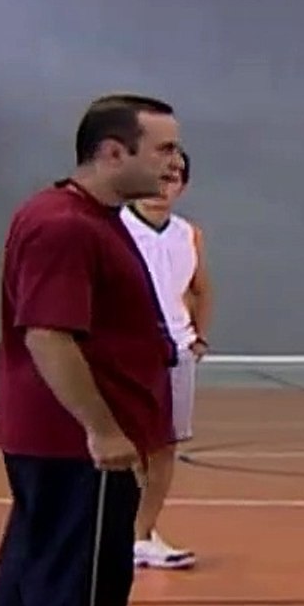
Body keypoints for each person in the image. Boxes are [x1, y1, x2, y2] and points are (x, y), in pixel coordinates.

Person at [0, 93, 181, 606]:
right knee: (84, 571)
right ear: (113, 152)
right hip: (74, 441)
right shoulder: (66, 225)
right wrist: (102, 429)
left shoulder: (87, 217)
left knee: (36, 556)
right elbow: (49, 334)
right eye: (163, 149)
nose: (173, 164)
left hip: (54, 436)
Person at [120, 148, 212, 571]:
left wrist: (198, 338)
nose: (162, 187)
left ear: (183, 186)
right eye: (157, 176)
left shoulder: (188, 234)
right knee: (126, 447)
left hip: (175, 350)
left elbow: (200, 288)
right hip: (126, 353)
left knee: (164, 447)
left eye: (173, 178)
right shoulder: (114, 229)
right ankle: (118, 530)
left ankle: (143, 533)